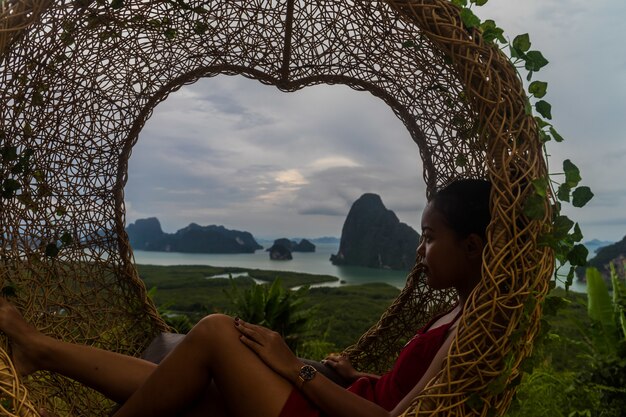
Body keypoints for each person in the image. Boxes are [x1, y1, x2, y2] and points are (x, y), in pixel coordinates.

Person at [0, 178, 491, 417]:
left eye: (429, 237)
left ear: (471, 246)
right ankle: (41, 350)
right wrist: (359, 376)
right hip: (339, 400)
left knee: (215, 330)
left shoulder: (470, 327)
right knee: (192, 385)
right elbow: (411, 393)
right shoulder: (460, 309)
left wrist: (293, 367)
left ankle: (40, 349)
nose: (419, 250)